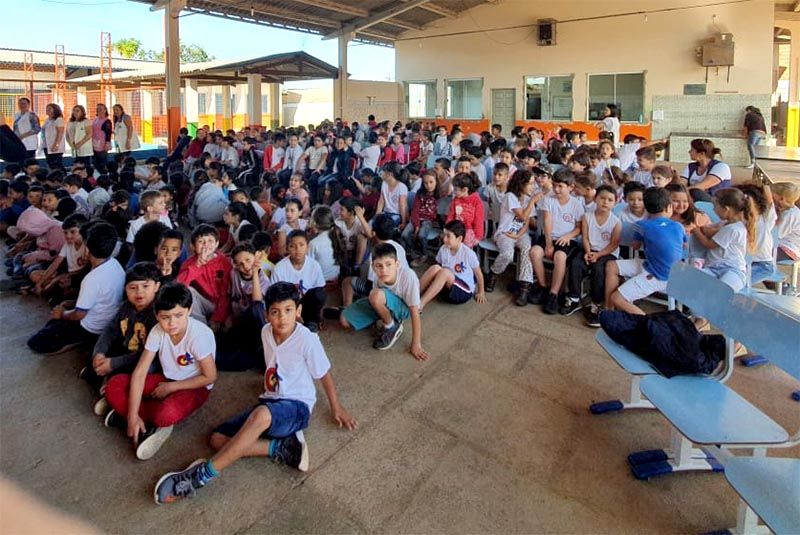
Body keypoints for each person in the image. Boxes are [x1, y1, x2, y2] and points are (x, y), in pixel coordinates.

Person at [153, 282, 356, 504]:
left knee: (260, 415)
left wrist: (336, 407)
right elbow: (276, 361)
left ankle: (200, 476)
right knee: (217, 439)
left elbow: (323, 373)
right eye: (275, 312)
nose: (282, 318)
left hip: (297, 407)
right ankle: (281, 448)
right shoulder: (266, 331)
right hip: (271, 400)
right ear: (267, 314)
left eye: (288, 310)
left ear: (298, 311)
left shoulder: (307, 340)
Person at [103, 282, 218, 461]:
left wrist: (171, 388)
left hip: (196, 386)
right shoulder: (157, 331)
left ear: (189, 311)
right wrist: (132, 416)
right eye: (165, 317)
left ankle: (134, 415)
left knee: (165, 414)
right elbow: (140, 372)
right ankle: (139, 421)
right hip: (166, 378)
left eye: (178, 315)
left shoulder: (198, 335)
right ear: (156, 315)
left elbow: (210, 377)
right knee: (114, 384)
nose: (172, 323)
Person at [27, 223, 124, 354]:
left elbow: (79, 315)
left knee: (36, 343)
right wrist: (70, 305)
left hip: (91, 327)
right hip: (107, 320)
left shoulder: (92, 279)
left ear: (87, 249)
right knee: (55, 318)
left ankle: (80, 341)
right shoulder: (115, 264)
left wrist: (61, 314)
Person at [83, 262, 161, 415]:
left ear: (157, 287)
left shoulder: (157, 314)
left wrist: (113, 363)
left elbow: (147, 355)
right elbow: (110, 330)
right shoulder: (126, 307)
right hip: (127, 350)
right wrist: (99, 353)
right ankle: (104, 377)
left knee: (139, 372)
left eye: (145, 286)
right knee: (95, 350)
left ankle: (110, 391)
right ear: (125, 289)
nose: (139, 292)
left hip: (147, 359)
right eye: (133, 287)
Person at [604, 187, 686, 315]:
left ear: (646, 208)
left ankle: (648, 322)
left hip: (660, 276)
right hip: (662, 268)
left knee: (617, 298)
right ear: (669, 207)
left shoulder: (641, 225)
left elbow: (635, 246)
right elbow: (684, 246)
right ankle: (609, 312)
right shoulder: (679, 226)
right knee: (611, 265)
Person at [340, 242, 429, 359]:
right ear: (373, 267)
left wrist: (416, 344)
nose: (384, 270)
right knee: (344, 320)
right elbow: (374, 301)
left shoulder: (408, 276)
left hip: (404, 309)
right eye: (379, 265)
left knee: (375, 295)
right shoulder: (378, 277)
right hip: (383, 302)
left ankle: (391, 326)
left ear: (397, 264)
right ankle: (383, 319)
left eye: (388, 264)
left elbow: (414, 311)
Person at [561, 185, 621, 324]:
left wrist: (598, 255)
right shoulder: (587, 217)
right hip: (589, 250)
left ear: (615, 203)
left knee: (598, 269)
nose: (605, 202)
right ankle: (574, 297)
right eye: (602, 198)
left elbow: (614, 244)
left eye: (610, 200)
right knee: (576, 263)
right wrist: (588, 252)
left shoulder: (616, 222)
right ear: (595, 199)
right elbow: (585, 237)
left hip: (607, 253)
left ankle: (596, 303)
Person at [529, 169, 585, 314]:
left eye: (561, 186)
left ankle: (554, 293)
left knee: (560, 257)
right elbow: (547, 222)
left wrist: (568, 236)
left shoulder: (576, 204)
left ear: (571, 187)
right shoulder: (549, 200)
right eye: (554, 186)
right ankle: (542, 285)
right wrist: (548, 244)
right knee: (535, 252)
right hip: (549, 237)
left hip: (567, 239)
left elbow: (579, 227)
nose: (556, 189)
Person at [485, 169, 537, 305]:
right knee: (508, 254)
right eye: (530, 183)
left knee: (527, 248)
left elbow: (526, 222)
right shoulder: (510, 196)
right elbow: (522, 216)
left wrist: (519, 234)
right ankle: (493, 273)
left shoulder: (528, 199)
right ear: (521, 183)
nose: (533, 187)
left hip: (520, 234)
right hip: (505, 233)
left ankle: (524, 287)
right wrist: (533, 201)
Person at [690, 188, 755, 292]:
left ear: (726, 209)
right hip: (713, 268)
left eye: (715, 206)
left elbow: (709, 244)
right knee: (693, 283)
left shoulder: (733, 228)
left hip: (732, 270)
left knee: (721, 290)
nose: (713, 210)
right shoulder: (725, 224)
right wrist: (707, 230)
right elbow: (707, 229)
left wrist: (696, 231)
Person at [419, 220, 485, 310]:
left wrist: (481, 292)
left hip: (463, 292)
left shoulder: (468, 253)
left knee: (445, 272)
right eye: (444, 235)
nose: (444, 239)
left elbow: (478, 274)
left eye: (448, 236)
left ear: (459, 239)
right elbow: (438, 266)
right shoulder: (443, 249)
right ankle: (414, 295)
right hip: (446, 289)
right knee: (435, 268)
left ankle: (420, 304)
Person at [177, 224, 232, 331]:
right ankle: (202, 327)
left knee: (228, 326)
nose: (206, 245)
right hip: (204, 303)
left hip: (223, 305)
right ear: (193, 246)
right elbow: (180, 286)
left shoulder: (224, 262)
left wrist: (217, 318)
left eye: (210, 241)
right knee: (188, 291)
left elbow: (226, 294)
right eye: (201, 241)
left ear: (217, 244)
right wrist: (197, 265)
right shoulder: (190, 263)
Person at [270, 230, 326, 332]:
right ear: (287, 248)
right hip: (287, 306)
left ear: (307, 247)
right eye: (292, 246)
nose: (298, 249)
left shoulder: (314, 265)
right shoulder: (279, 268)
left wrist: (319, 316)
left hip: (307, 304)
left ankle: (311, 322)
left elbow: (320, 290)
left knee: (319, 293)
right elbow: (275, 296)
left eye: (301, 245)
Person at [737, 183, 778, 285]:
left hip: (762, 265)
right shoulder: (737, 219)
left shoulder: (765, 218)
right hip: (743, 263)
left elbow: (769, 201)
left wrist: (764, 186)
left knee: (736, 284)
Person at [402, 170, 438, 265]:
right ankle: (412, 250)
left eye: (431, 182)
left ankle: (424, 253)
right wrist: (417, 225)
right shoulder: (420, 193)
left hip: (428, 220)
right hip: (416, 218)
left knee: (421, 235)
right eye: (425, 183)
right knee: (404, 235)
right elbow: (415, 210)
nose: (428, 185)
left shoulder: (438, 194)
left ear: (436, 182)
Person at [680, 139, 731, 203]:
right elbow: (681, 185)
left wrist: (680, 192)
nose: (689, 152)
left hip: (717, 203)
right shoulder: (690, 166)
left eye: (692, 150)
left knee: (695, 192)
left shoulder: (721, 167)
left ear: (701, 153)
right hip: (693, 200)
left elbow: (702, 186)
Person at [309, 205, 347, 282]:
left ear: (315, 223)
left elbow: (308, 267)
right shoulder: (337, 235)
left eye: (311, 219)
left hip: (320, 282)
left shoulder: (314, 244)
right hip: (336, 278)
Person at [446, 172, 485, 249]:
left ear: (465, 189)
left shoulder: (477, 201)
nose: (454, 192)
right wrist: (447, 228)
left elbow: (479, 220)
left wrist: (478, 236)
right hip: (456, 229)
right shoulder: (456, 199)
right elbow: (451, 215)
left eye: (456, 190)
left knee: (464, 249)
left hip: (469, 231)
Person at [336, 197, 371, 273]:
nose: (339, 212)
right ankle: (345, 267)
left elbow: (370, 235)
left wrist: (361, 216)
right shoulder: (339, 222)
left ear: (351, 213)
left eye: (342, 210)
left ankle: (356, 267)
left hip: (358, 251)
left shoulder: (359, 222)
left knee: (363, 237)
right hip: (345, 251)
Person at [772, 182, 800, 263]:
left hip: (787, 250)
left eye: (773, 196)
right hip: (783, 246)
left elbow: (775, 236)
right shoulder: (790, 211)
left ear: (782, 199)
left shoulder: (790, 215)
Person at [376, 162, 409, 228]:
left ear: (390, 174)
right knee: (374, 223)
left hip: (396, 214)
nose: (381, 174)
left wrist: (403, 222)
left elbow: (403, 206)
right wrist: (377, 216)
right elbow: (381, 201)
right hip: (386, 213)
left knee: (386, 226)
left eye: (383, 172)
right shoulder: (384, 184)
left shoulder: (402, 187)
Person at [42, 103, 66, 169]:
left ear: (55, 110)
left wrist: (56, 145)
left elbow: (60, 132)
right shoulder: (47, 120)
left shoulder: (58, 119)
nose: (47, 110)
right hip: (47, 145)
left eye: (50, 109)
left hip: (55, 145)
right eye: (47, 109)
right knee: (50, 163)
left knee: (57, 164)